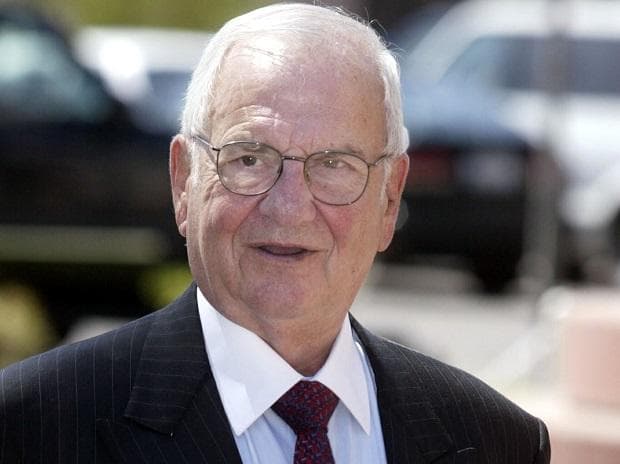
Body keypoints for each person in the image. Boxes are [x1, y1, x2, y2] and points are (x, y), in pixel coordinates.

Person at [0, 4, 550, 463]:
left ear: (389, 199)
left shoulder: (498, 443)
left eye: (334, 164)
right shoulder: (33, 428)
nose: (289, 208)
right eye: (250, 158)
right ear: (184, 181)